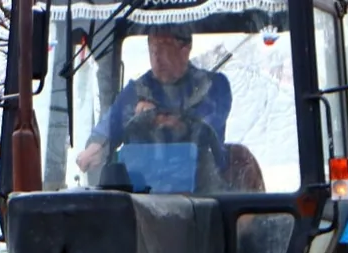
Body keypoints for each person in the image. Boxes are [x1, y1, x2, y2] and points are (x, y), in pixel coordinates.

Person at [75, 25, 233, 174]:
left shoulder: (213, 86)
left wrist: (156, 118)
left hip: (202, 187)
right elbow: (110, 126)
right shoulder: (136, 91)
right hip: (144, 188)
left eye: (165, 46)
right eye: (153, 47)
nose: (157, 56)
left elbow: (204, 129)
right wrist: (96, 147)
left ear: (185, 48)